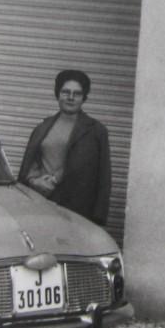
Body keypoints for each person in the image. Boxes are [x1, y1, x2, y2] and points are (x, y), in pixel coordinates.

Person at [19, 69, 112, 227]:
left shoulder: (96, 130)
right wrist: (34, 180)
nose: (70, 97)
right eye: (65, 92)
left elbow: (104, 178)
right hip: (43, 202)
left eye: (77, 94)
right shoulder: (43, 127)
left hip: (78, 209)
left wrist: (98, 217)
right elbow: (30, 162)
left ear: (84, 98)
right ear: (58, 94)